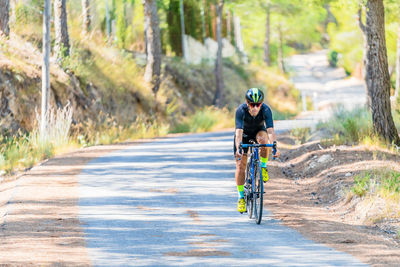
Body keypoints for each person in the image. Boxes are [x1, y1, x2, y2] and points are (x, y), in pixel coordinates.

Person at [234, 88, 280, 213]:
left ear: (261, 104)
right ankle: (241, 198)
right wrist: (238, 146)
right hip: (244, 135)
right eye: (251, 104)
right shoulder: (240, 111)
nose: (254, 107)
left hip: (259, 132)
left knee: (264, 142)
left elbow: (270, 131)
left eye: (257, 104)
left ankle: (263, 167)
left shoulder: (266, 110)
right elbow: (238, 133)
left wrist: (275, 146)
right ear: (247, 103)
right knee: (240, 166)